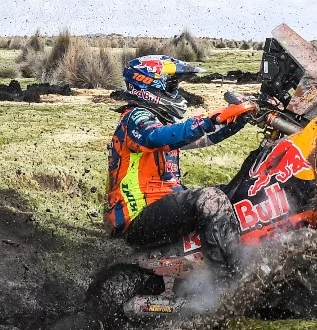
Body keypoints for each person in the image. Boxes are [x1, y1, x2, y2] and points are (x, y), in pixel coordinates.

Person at [104, 54, 257, 275]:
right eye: (172, 85)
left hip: (164, 208)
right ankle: (229, 280)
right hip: (138, 216)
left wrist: (240, 117)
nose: (176, 91)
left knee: (237, 192)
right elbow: (155, 137)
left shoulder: (161, 123)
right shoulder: (135, 117)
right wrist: (210, 119)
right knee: (210, 199)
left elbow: (203, 138)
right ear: (149, 84)